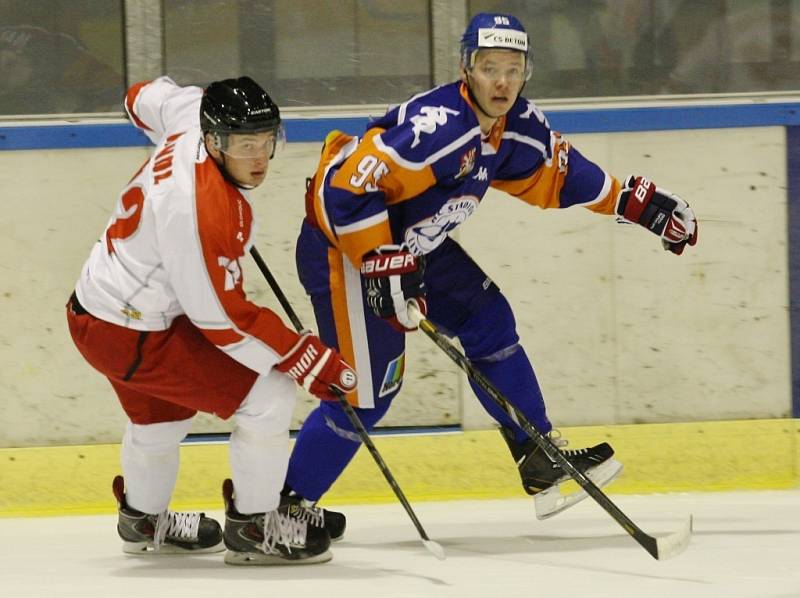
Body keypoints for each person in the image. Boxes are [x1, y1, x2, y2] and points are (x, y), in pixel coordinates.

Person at [281, 11, 698, 530]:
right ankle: (281, 513)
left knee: (489, 321)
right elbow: (340, 189)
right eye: (488, 66)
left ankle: (537, 455)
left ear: (527, 73)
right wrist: (376, 262)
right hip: (342, 252)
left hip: (414, 249)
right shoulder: (436, 131)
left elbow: (560, 175)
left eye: (513, 68)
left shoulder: (515, 125)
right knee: (366, 395)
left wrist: (635, 204)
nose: (501, 81)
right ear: (465, 68)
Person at [66, 75, 357, 565]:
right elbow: (220, 320)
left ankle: (143, 520)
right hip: (130, 330)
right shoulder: (197, 208)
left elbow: (140, 95)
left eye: (267, 141)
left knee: (160, 419)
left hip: (102, 310)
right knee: (270, 394)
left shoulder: (191, 114)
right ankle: (255, 525)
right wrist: (304, 358)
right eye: (246, 145)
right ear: (216, 141)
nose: (260, 158)